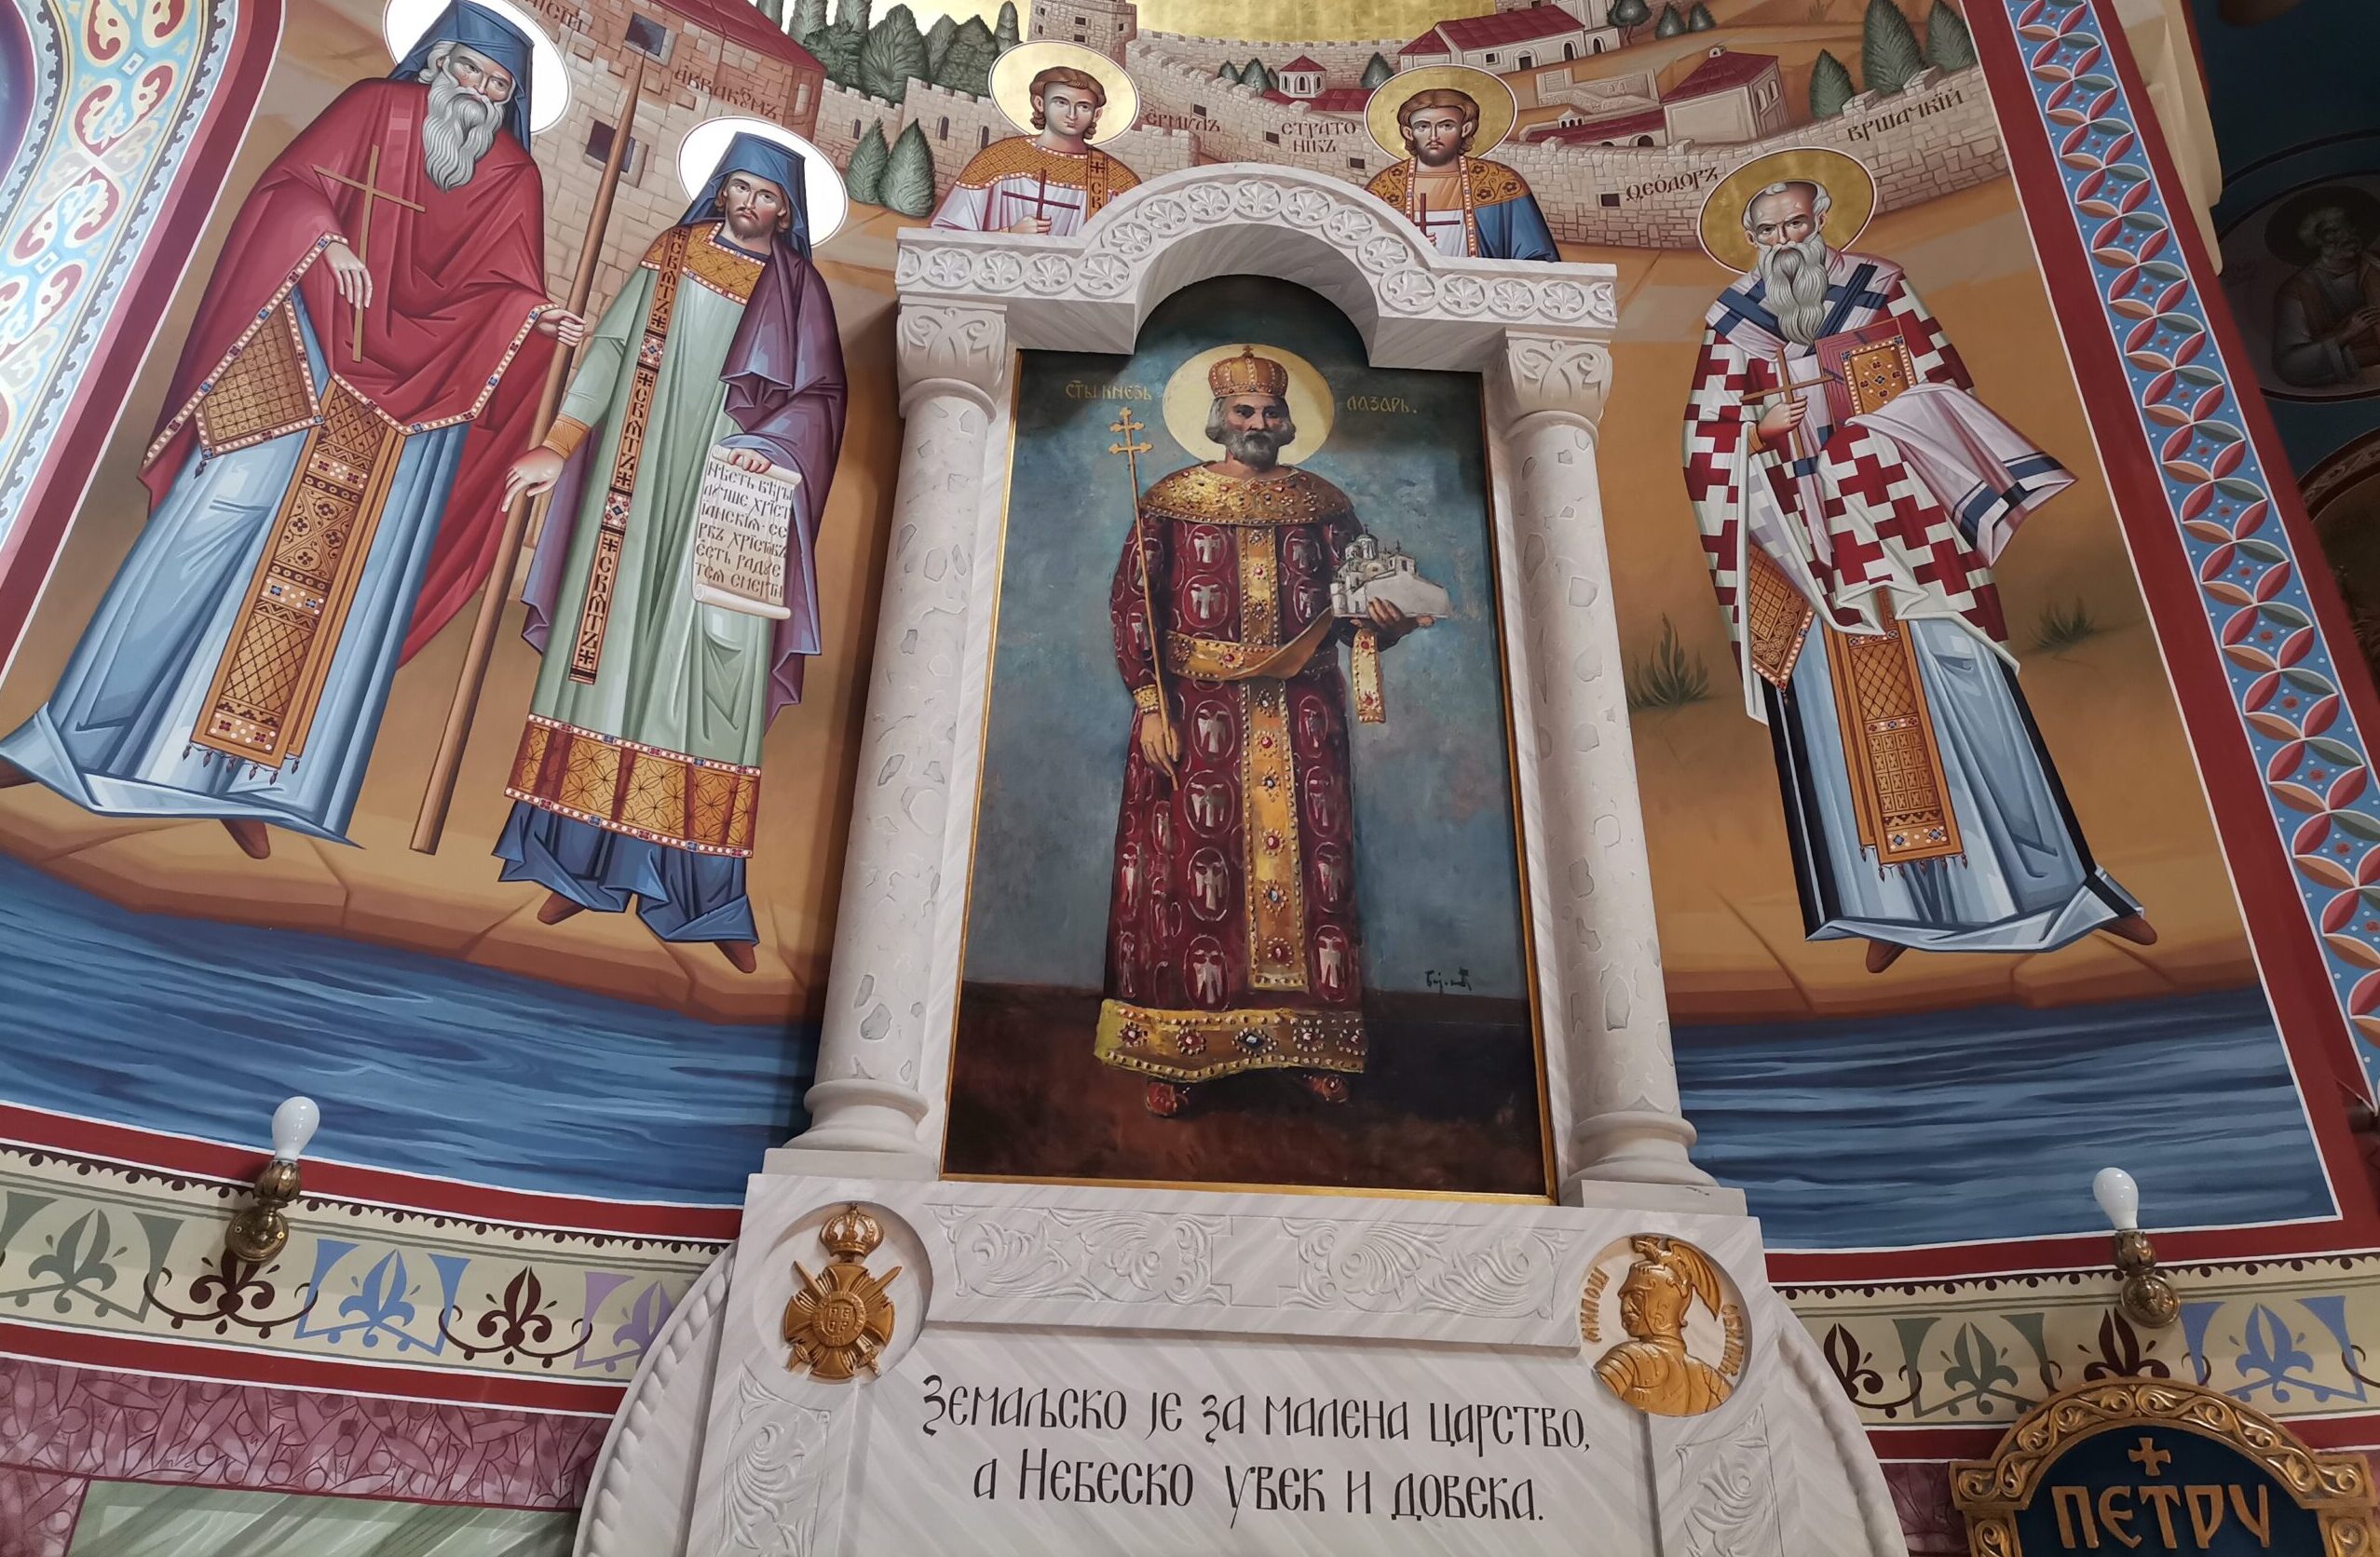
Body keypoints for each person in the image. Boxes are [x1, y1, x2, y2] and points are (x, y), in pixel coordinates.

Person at [0, 1, 578, 860]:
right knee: (204, 541)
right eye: (473, 71)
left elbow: (508, 285)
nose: (482, 93)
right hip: (303, 350)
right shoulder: (373, 108)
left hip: (414, 413)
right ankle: (75, 740)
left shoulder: (513, 176)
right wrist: (325, 241)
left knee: (349, 591)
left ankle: (250, 784)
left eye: (500, 86)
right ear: (438, 63)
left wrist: (533, 318)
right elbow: (289, 190)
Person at [1680, 170, 2154, 973]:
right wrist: (1758, 430)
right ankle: (1890, 907)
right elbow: (1703, 440)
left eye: (1796, 225)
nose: (1786, 243)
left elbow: (1948, 389)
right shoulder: (1731, 325)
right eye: (1769, 232)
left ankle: (2061, 888)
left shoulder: (1880, 290)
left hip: (1904, 529)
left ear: (1822, 220)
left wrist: (1870, 431)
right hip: (1808, 552)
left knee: (1968, 692)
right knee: (1841, 723)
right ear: (1750, 241)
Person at [495, 132, 847, 974]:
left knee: (713, 682)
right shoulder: (673, 252)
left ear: (787, 213)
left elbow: (824, 398)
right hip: (636, 483)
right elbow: (613, 349)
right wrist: (558, 443)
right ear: (720, 189)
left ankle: (702, 897)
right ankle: (573, 866)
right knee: (610, 660)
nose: (751, 205)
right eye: (740, 188)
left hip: (735, 502)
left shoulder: (801, 289)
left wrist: (776, 447)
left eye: (768, 196)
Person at [1098, 346, 1427, 1117]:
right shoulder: (1171, 500)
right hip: (1195, 712)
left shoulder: (1323, 505)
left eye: (1269, 412)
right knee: (1186, 876)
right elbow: (1132, 607)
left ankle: (1310, 1046)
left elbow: (1356, 603)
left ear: (1286, 423)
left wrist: (1386, 620)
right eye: (1242, 411)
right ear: (1218, 421)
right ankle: (1176, 1050)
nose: (1256, 422)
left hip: (1303, 713)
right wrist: (1150, 705)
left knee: (1315, 878)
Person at [930, 64, 1139, 236]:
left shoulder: (1115, 178)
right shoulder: (998, 159)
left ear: (1097, 114)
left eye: (1084, 106)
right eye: (1061, 102)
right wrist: (1008, 234)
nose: (1072, 115)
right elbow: (945, 232)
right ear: (1040, 103)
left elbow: (1131, 248)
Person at [1365, 86, 1557, 262]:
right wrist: (1403, 248)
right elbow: (1364, 254)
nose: (1433, 136)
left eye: (1446, 126)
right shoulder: (1384, 188)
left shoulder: (1500, 182)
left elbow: (1537, 257)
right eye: (1423, 126)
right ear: (1408, 132)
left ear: (1465, 129)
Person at [2273, 202, 2380, 388]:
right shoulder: (2297, 290)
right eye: (2332, 231)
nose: (2346, 235)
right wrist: (2347, 334)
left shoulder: (2376, 264)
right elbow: (2290, 366)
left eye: (2348, 226)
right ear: (2316, 240)